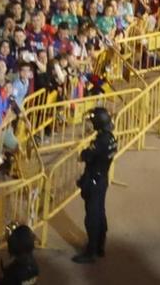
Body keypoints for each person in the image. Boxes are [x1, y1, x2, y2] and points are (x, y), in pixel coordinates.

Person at [72, 107, 116, 265]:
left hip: (94, 180)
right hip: (102, 179)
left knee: (92, 216)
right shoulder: (111, 138)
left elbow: (86, 155)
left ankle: (90, 251)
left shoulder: (100, 142)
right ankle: (100, 246)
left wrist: (84, 153)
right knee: (100, 212)